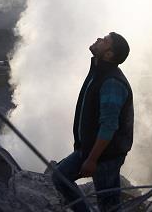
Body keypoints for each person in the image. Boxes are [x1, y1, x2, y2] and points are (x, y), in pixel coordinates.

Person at [52, 32, 133, 212]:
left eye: (105, 40)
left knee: (108, 205)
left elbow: (109, 125)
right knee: (60, 176)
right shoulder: (99, 73)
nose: (99, 39)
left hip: (106, 155)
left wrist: (92, 160)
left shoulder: (111, 82)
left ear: (109, 54)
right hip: (90, 149)